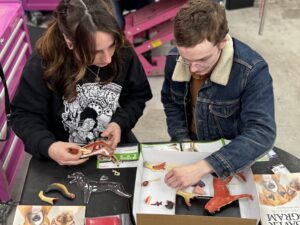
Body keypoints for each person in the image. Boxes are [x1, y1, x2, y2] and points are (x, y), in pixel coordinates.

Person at [11, 0, 152, 166]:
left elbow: (138, 96)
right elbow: (24, 116)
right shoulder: (42, 63)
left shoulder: (123, 52)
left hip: (113, 149)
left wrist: (120, 124)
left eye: (111, 45)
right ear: (69, 42)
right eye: (94, 52)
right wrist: (49, 146)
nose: (107, 58)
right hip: (61, 156)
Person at [161, 0, 276, 189]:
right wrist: (182, 142)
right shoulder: (175, 59)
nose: (193, 69)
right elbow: (171, 102)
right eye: (187, 59)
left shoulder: (252, 71)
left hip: (232, 156)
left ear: (222, 41)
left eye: (202, 59)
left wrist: (205, 166)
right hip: (192, 150)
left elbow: (261, 133)